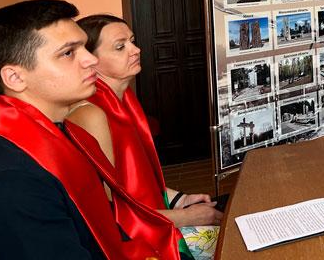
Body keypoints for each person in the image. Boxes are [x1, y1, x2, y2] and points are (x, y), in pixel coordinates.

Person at [0, 0, 179, 259]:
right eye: (68, 53)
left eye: (84, 47)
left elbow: (101, 221)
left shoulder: (67, 132)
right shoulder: (11, 178)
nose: (91, 59)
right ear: (15, 77)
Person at [67, 14, 222, 260]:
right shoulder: (91, 114)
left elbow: (132, 181)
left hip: (152, 217)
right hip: (133, 242)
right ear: (90, 60)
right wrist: (186, 217)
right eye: (120, 47)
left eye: (132, 41)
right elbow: (110, 212)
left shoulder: (124, 98)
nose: (136, 50)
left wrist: (179, 198)